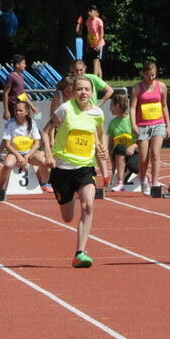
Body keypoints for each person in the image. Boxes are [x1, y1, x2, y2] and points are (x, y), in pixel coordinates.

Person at [41, 75, 107, 268]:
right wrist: (48, 155)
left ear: (92, 92)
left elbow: (101, 132)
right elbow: (45, 131)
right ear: (73, 91)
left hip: (86, 167)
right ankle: (64, 197)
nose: (83, 92)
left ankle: (80, 253)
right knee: (67, 217)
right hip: (62, 169)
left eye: (87, 89)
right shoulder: (65, 109)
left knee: (88, 206)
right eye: (80, 89)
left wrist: (101, 146)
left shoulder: (97, 113)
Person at [129, 61, 170, 194]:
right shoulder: (137, 88)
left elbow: (164, 106)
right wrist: (133, 123)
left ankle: (154, 183)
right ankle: (143, 180)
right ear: (143, 74)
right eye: (148, 75)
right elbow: (132, 108)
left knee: (155, 154)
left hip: (158, 123)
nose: (150, 78)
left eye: (153, 75)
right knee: (143, 157)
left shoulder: (162, 87)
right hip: (142, 125)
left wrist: (168, 125)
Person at [0, 100, 47, 193]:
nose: (18, 113)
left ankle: (45, 183)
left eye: (20, 110)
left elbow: (37, 143)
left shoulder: (32, 123)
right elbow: (6, 144)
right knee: (7, 164)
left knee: (43, 161)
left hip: (29, 153)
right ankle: (0, 186)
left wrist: (26, 156)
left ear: (27, 112)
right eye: (16, 110)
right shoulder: (10, 124)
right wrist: (18, 156)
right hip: (14, 153)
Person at [106, 93, 138, 191]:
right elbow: (110, 145)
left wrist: (133, 146)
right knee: (120, 147)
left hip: (133, 152)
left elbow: (142, 140)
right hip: (119, 153)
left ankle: (147, 176)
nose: (109, 108)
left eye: (111, 105)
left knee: (134, 166)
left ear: (118, 106)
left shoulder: (132, 121)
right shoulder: (112, 123)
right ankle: (119, 182)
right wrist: (112, 163)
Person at [83, 5, 105, 78]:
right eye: (88, 11)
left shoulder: (99, 21)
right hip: (92, 44)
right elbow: (89, 34)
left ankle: (94, 80)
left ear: (95, 12)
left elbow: (102, 34)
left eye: (91, 11)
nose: (89, 13)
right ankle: (100, 80)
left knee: (95, 61)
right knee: (97, 63)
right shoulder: (87, 21)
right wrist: (87, 44)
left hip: (99, 44)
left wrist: (98, 44)